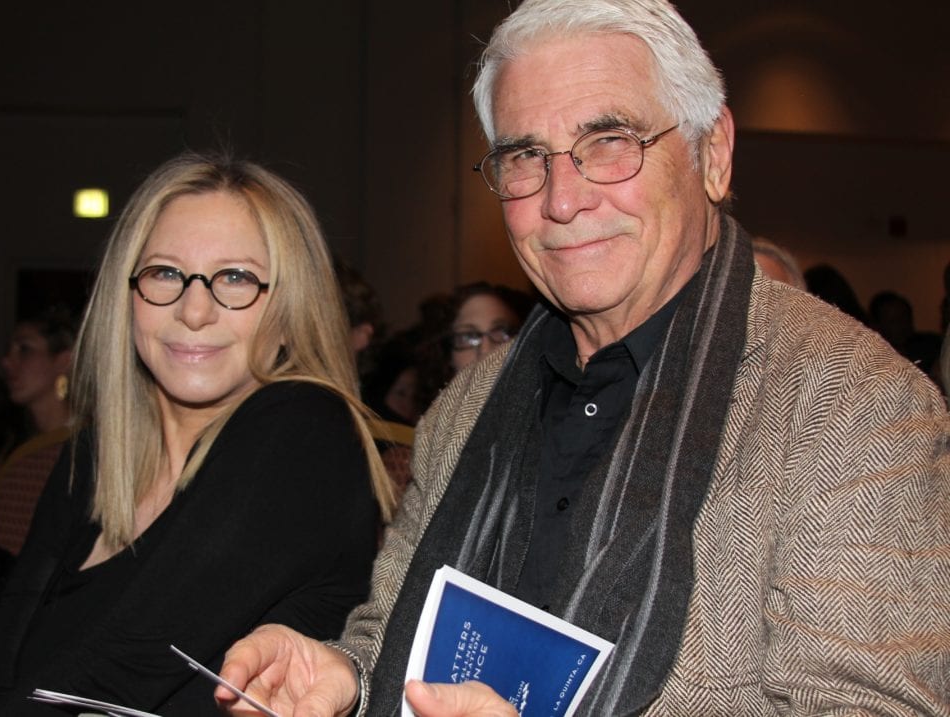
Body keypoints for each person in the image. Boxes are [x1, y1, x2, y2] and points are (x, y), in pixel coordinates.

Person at [218, 1, 950, 715]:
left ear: (713, 155)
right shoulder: (468, 406)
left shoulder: (850, 404)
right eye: (525, 156)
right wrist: (345, 675)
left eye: (610, 141)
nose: (562, 200)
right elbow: (403, 632)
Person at [0, 152, 396, 715]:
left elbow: (118, 670)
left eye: (236, 277)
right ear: (127, 295)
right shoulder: (95, 453)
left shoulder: (304, 431)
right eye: (165, 273)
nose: (194, 309)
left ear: (288, 309)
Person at [415, 282, 533, 412]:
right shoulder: (430, 427)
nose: (486, 349)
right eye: (468, 337)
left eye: (499, 332)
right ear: (448, 355)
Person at [0, 304, 78, 438]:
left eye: (25, 350)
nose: (6, 362)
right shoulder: (14, 444)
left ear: (63, 361)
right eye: (8, 350)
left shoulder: (85, 444)